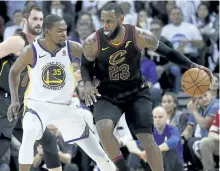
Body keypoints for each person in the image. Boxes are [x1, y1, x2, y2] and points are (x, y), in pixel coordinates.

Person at [80, 3, 213, 171]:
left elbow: (168, 52)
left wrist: (191, 64)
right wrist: (87, 83)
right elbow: (84, 65)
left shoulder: (138, 35)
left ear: (121, 19)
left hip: (136, 92)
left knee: (147, 140)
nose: (105, 26)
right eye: (102, 21)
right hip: (108, 94)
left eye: (110, 21)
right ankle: (124, 169)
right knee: (103, 129)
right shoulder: (93, 41)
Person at [7, 14, 116, 171]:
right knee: (29, 132)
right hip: (38, 105)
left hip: (65, 108)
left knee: (100, 155)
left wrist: (90, 82)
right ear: (47, 31)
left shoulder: (71, 47)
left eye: (65, 30)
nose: (64, 34)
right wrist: (15, 100)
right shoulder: (31, 51)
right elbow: (13, 72)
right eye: (59, 31)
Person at [0, 4, 63, 171]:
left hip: (21, 106)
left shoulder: (37, 47)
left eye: (41, 19)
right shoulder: (17, 41)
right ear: (24, 21)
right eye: (34, 19)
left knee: (48, 140)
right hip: (4, 102)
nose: (38, 23)